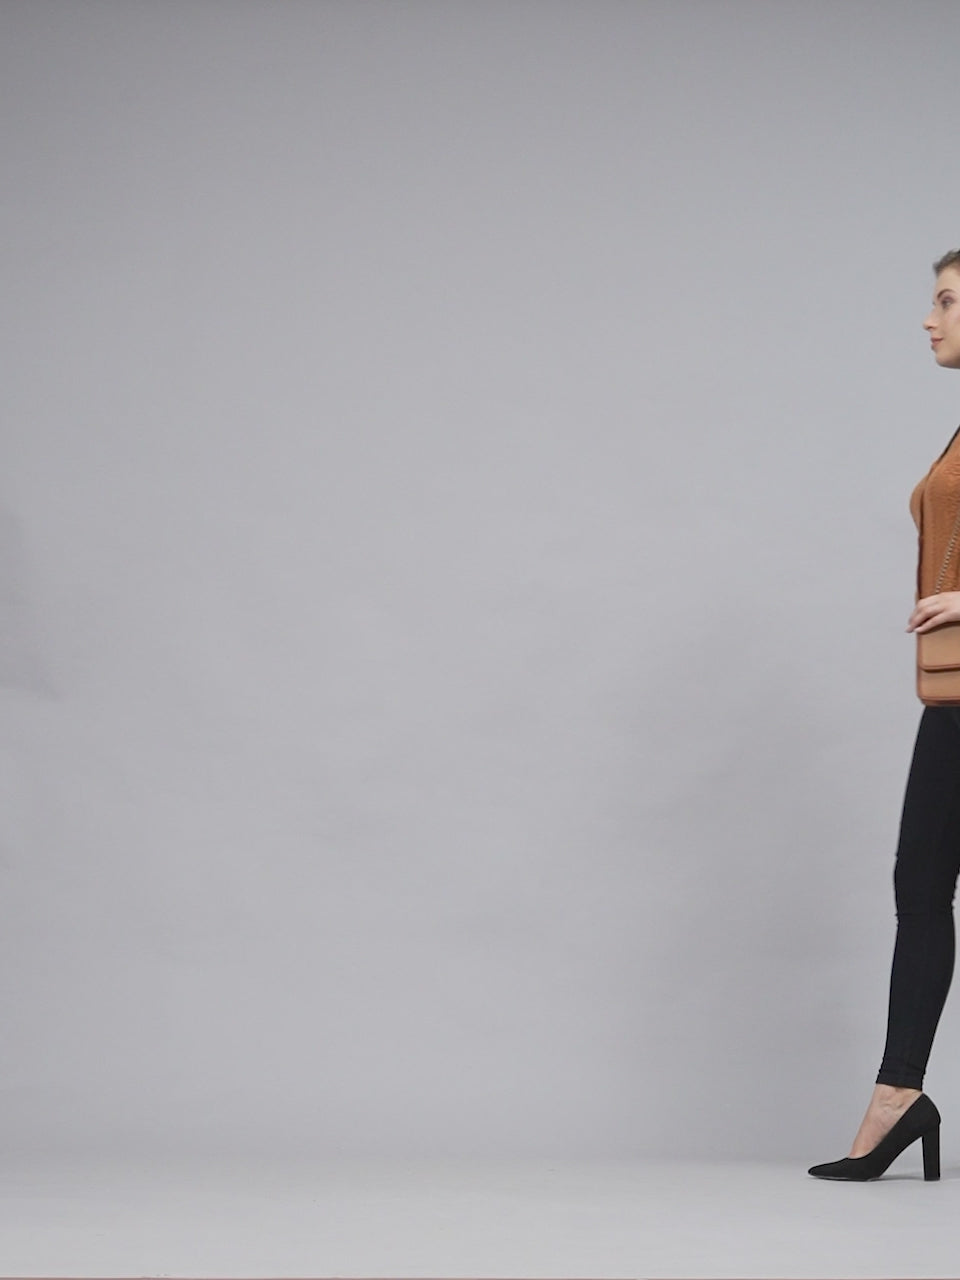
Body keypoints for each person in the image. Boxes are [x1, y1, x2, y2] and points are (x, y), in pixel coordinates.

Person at [808, 249, 960, 1182]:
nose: (929, 318)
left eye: (946, 300)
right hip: (953, 695)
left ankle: (899, 1095)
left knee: (923, 886)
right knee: (921, 885)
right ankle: (899, 1094)